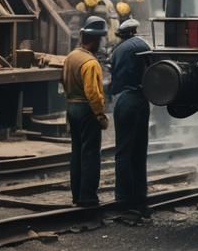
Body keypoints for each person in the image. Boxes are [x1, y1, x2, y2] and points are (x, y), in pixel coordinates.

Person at [63, 16, 109, 207]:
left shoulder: (71, 57)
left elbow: (63, 81)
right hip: (86, 110)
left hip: (71, 107)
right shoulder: (90, 63)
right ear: (95, 40)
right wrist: (100, 115)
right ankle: (88, 196)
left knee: (77, 152)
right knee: (90, 154)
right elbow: (93, 93)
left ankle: (77, 195)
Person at [109, 18, 151, 217]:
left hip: (123, 100)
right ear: (134, 31)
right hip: (139, 100)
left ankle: (124, 198)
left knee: (123, 151)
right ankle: (138, 198)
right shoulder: (142, 45)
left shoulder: (117, 50)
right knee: (138, 152)